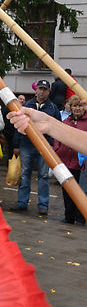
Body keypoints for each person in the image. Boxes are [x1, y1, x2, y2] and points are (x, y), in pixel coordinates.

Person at [8, 79, 60, 214]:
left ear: (49, 91)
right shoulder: (27, 106)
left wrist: (54, 146)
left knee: (44, 176)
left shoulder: (53, 108)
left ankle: (43, 205)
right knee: (25, 174)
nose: (42, 92)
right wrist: (16, 144)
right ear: (36, 90)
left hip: (45, 146)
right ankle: (22, 202)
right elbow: (18, 125)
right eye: (40, 89)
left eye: (45, 90)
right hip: (26, 145)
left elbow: (58, 128)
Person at [52, 95, 87, 224]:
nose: (77, 108)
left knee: (81, 191)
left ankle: (80, 216)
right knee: (67, 191)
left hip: (81, 164)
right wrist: (57, 150)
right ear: (70, 108)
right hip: (66, 162)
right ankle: (69, 216)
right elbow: (58, 137)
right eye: (74, 106)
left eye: (80, 106)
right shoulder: (66, 121)